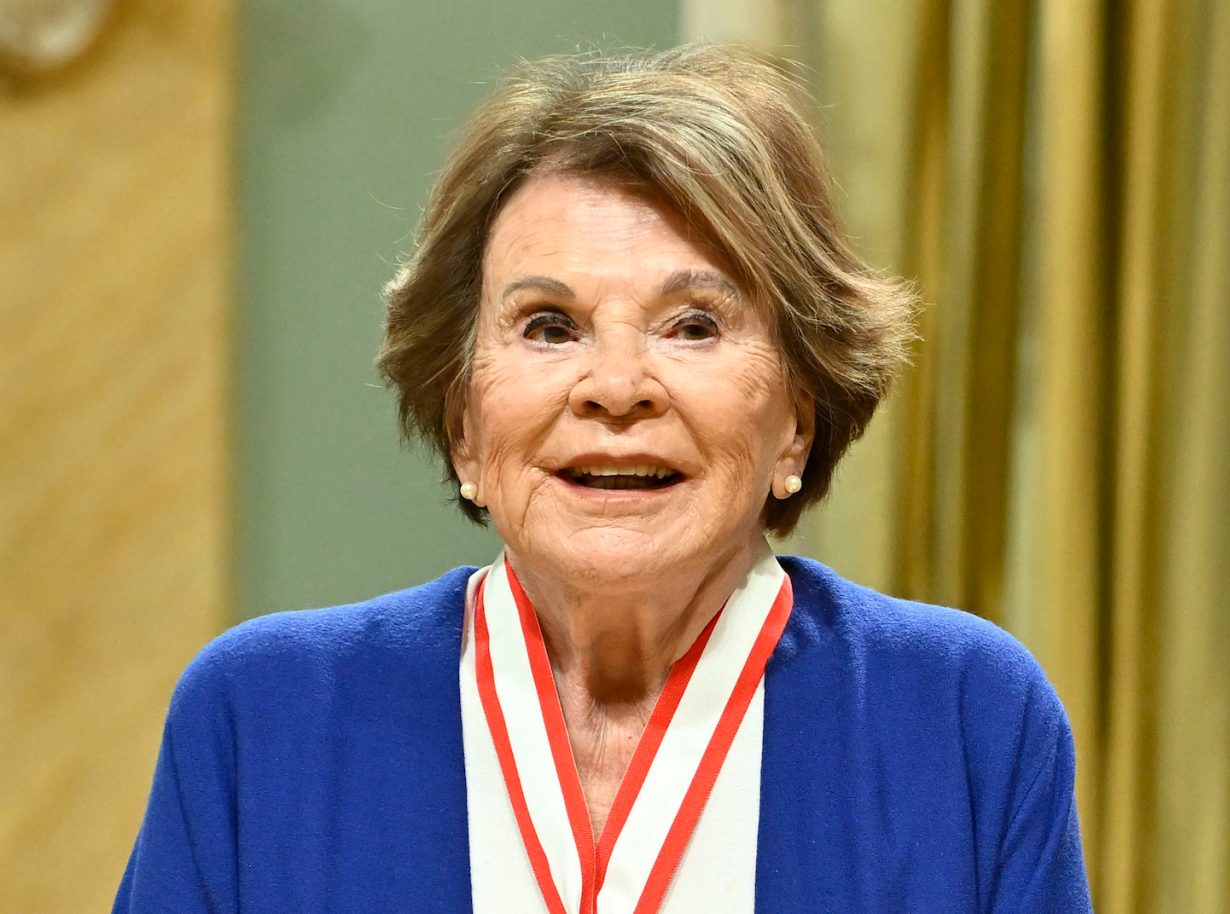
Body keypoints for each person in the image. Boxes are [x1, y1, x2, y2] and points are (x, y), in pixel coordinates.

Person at [114, 45, 1092, 913]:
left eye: (692, 324)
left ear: (795, 417)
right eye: (548, 325)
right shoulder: (265, 717)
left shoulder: (961, 716)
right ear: (463, 424)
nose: (616, 387)